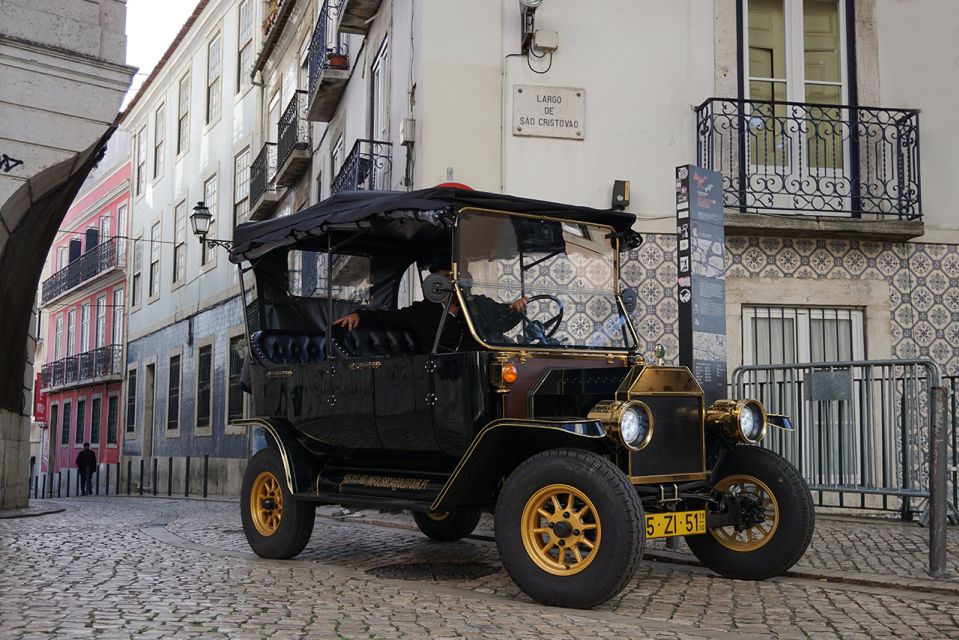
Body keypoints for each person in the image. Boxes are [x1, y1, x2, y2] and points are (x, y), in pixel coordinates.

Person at [333, 257, 528, 353]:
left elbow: (502, 319)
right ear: (436, 283)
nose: (454, 281)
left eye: (457, 276)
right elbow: (388, 316)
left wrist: (517, 309)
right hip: (446, 375)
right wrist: (359, 315)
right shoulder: (421, 312)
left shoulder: (479, 304)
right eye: (447, 276)